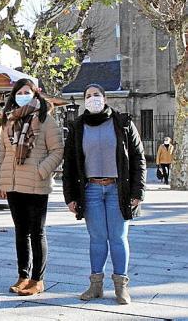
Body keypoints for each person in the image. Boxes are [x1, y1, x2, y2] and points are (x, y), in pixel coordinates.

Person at [63, 84, 146, 305]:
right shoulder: (77, 126)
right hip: (90, 190)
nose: (93, 99)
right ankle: (95, 285)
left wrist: (138, 191)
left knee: (118, 238)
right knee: (97, 239)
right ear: (84, 101)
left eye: (96, 95)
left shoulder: (123, 122)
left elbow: (138, 158)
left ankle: (121, 287)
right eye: (88, 95)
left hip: (118, 189)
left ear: (105, 97)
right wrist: (70, 196)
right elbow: (70, 163)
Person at [0, 78, 63, 296]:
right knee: (20, 232)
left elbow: (57, 150)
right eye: (19, 91)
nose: (22, 95)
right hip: (14, 184)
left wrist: (41, 171)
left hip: (36, 184)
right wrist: (3, 180)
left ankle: (37, 279)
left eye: (27, 91)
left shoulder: (45, 120)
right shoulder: (9, 121)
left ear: (36, 94)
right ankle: (23, 275)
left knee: (37, 232)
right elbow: (3, 153)